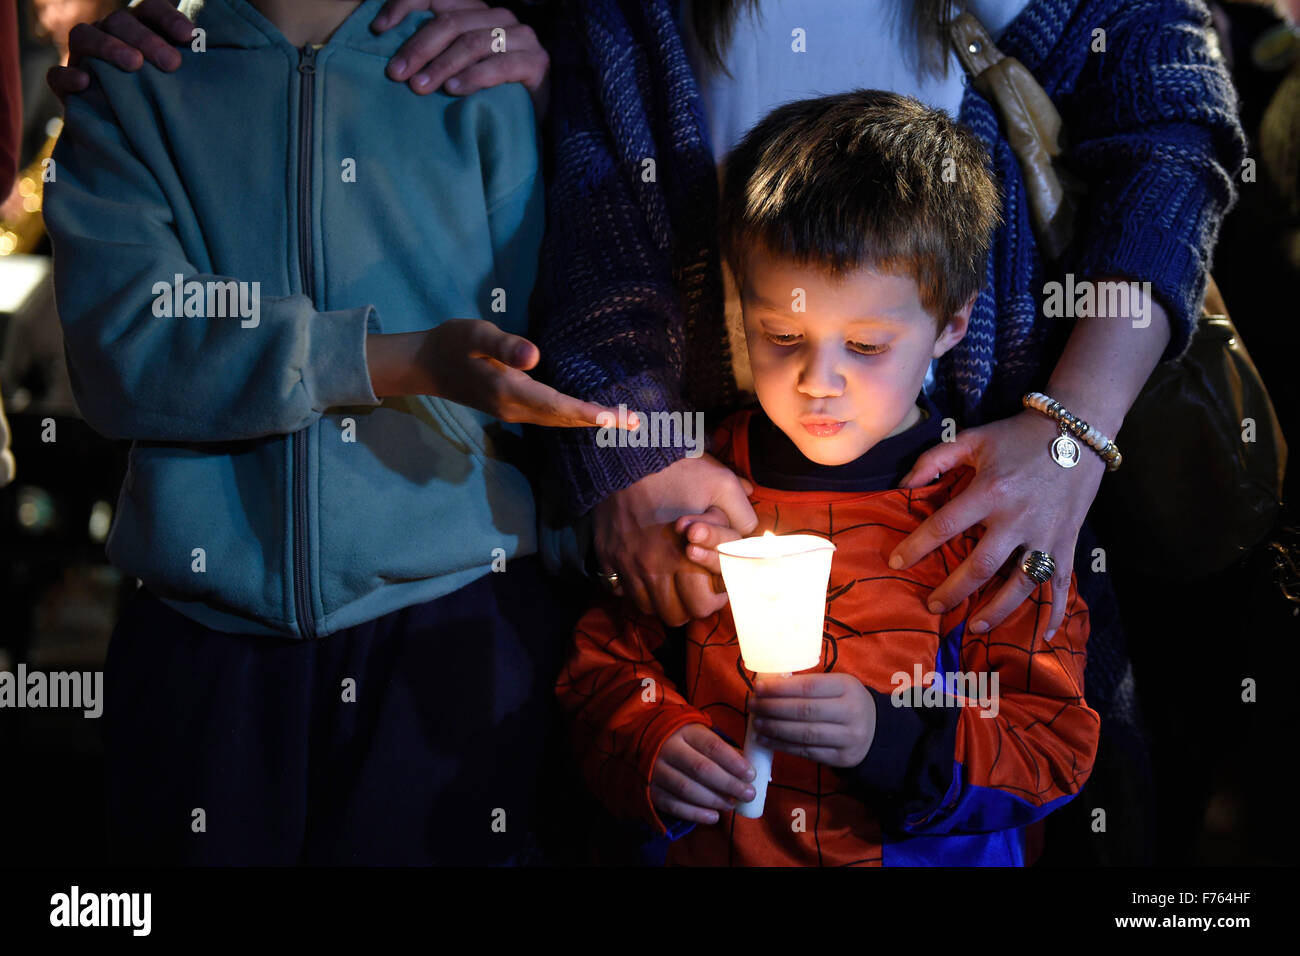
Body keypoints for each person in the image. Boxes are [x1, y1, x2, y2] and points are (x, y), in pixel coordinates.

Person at [41, 0, 625, 864]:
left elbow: (560, 339)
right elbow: (125, 351)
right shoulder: (135, 81)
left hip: (457, 622)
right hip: (202, 642)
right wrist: (386, 361)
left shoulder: (480, 78)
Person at [558, 90, 1099, 866]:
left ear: (951, 324)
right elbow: (602, 664)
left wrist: (891, 737)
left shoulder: (986, 514)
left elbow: (1052, 743)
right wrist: (649, 737)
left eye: (868, 345)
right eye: (782, 334)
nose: (819, 380)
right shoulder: (696, 489)